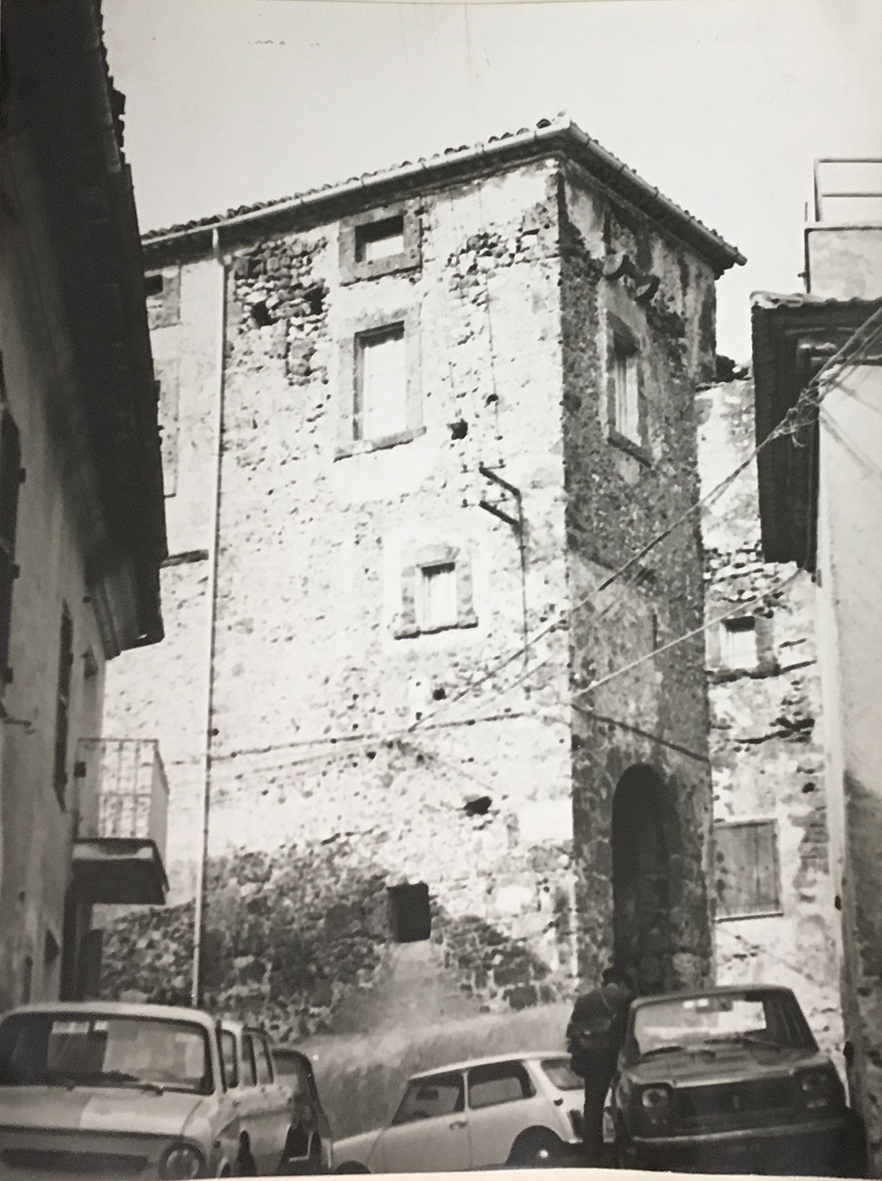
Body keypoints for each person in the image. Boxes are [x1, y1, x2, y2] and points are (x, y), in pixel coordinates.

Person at [566, 964, 637, 1162]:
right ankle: (623, 1147)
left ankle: (591, 1149)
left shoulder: (584, 1000)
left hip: (591, 1060)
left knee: (593, 1105)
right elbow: (632, 1029)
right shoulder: (626, 998)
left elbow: (571, 1031)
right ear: (622, 983)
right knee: (623, 1102)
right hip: (617, 1057)